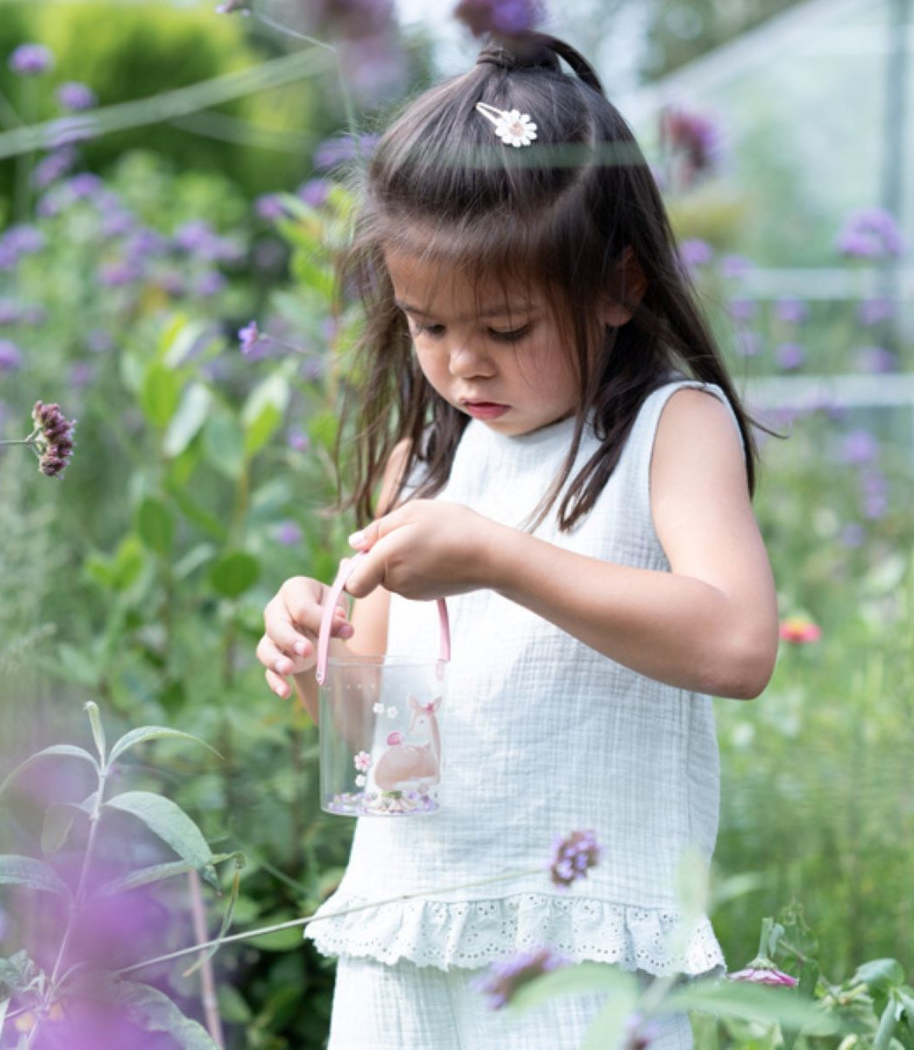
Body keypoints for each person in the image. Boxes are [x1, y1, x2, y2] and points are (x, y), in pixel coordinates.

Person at [256, 29, 778, 1050]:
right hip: (412, 930)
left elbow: (736, 644)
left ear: (618, 286)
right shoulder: (424, 463)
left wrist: (500, 559)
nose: (462, 368)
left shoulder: (666, 432)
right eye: (427, 326)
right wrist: (318, 654)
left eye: (505, 330)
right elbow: (388, 757)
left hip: (579, 946)